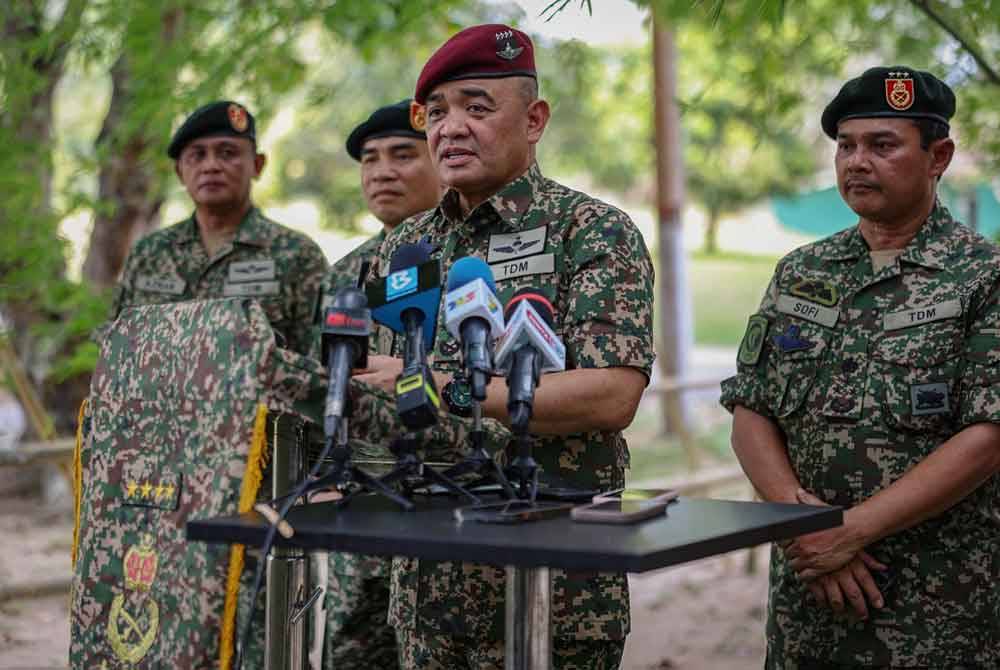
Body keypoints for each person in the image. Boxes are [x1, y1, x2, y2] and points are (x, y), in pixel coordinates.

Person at [354, 24, 655, 670]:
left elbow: (612, 394)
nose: (450, 129)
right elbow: (386, 389)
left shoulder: (593, 231)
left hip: (554, 593)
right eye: (436, 114)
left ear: (535, 118)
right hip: (428, 595)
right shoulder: (405, 247)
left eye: (476, 107)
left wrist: (442, 387)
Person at [721, 66, 1000, 669]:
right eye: (845, 146)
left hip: (939, 612)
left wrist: (848, 533)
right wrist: (806, 527)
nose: (856, 162)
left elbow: (987, 438)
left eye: (882, 145)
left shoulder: (984, 275)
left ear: (939, 157)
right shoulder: (802, 270)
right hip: (808, 607)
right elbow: (751, 410)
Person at [315, 99, 441, 670]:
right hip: (359, 517)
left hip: (449, 510)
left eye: (402, 154)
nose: (381, 172)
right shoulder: (344, 275)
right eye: (369, 159)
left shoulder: (467, 259)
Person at [108, 100, 328, 356]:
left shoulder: (298, 256)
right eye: (197, 155)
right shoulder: (148, 255)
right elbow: (117, 352)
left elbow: (321, 366)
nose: (211, 166)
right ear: (180, 172)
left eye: (227, 153)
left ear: (257, 165)